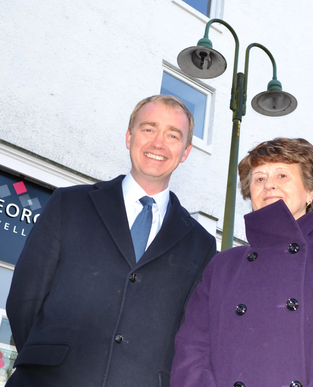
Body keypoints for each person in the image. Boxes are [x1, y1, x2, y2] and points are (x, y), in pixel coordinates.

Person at [6, 95, 216, 387]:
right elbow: (24, 300)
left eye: (172, 135)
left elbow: (189, 334)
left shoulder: (201, 244)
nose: (158, 143)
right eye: (148, 129)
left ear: (185, 151)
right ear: (129, 137)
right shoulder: (69, 204)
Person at [171, 137, 313, 387]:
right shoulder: (222, 266)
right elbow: (191, 353)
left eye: (282, 175)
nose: (269, 185)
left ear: (310, 191)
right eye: (260, 178)